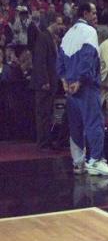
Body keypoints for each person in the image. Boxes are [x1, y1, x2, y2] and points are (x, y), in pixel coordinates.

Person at [56, 2, 108, 176]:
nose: (96, 16)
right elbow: (88, 56)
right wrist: (80, 79)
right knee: (94, 122)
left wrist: (64, 80)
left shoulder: (68, 33)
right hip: (86, 86)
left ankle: (78, 162)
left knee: (75, 125)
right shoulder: (90, 31)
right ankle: (96, 161)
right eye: (94, 12)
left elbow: (60, 59)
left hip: (70, 88)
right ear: (85, 13)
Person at [30, 12, 64, 150]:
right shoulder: (43, 38)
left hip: (50, 82)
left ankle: (46, 140)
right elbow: (40, 61)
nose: (61, 26)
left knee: (47, 113)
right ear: (52, 23)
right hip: (45, 83)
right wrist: (44, 81)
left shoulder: (50, 38)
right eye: (59, 23)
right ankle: (43, 142)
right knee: (43, 113)